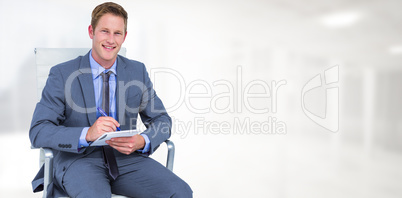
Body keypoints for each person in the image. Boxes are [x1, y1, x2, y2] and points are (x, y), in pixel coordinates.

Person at [30, 2, 192, 197]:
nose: (111, 39)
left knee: (180, 192)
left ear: (124, 36)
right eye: (104, 31)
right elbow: (39, 130)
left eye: (117, 33)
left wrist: (143, 140)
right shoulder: (62, 74)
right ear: (91, 31)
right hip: (79, 161)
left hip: (125, 159)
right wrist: (87, 133)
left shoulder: (136, 71)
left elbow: (162, 121)